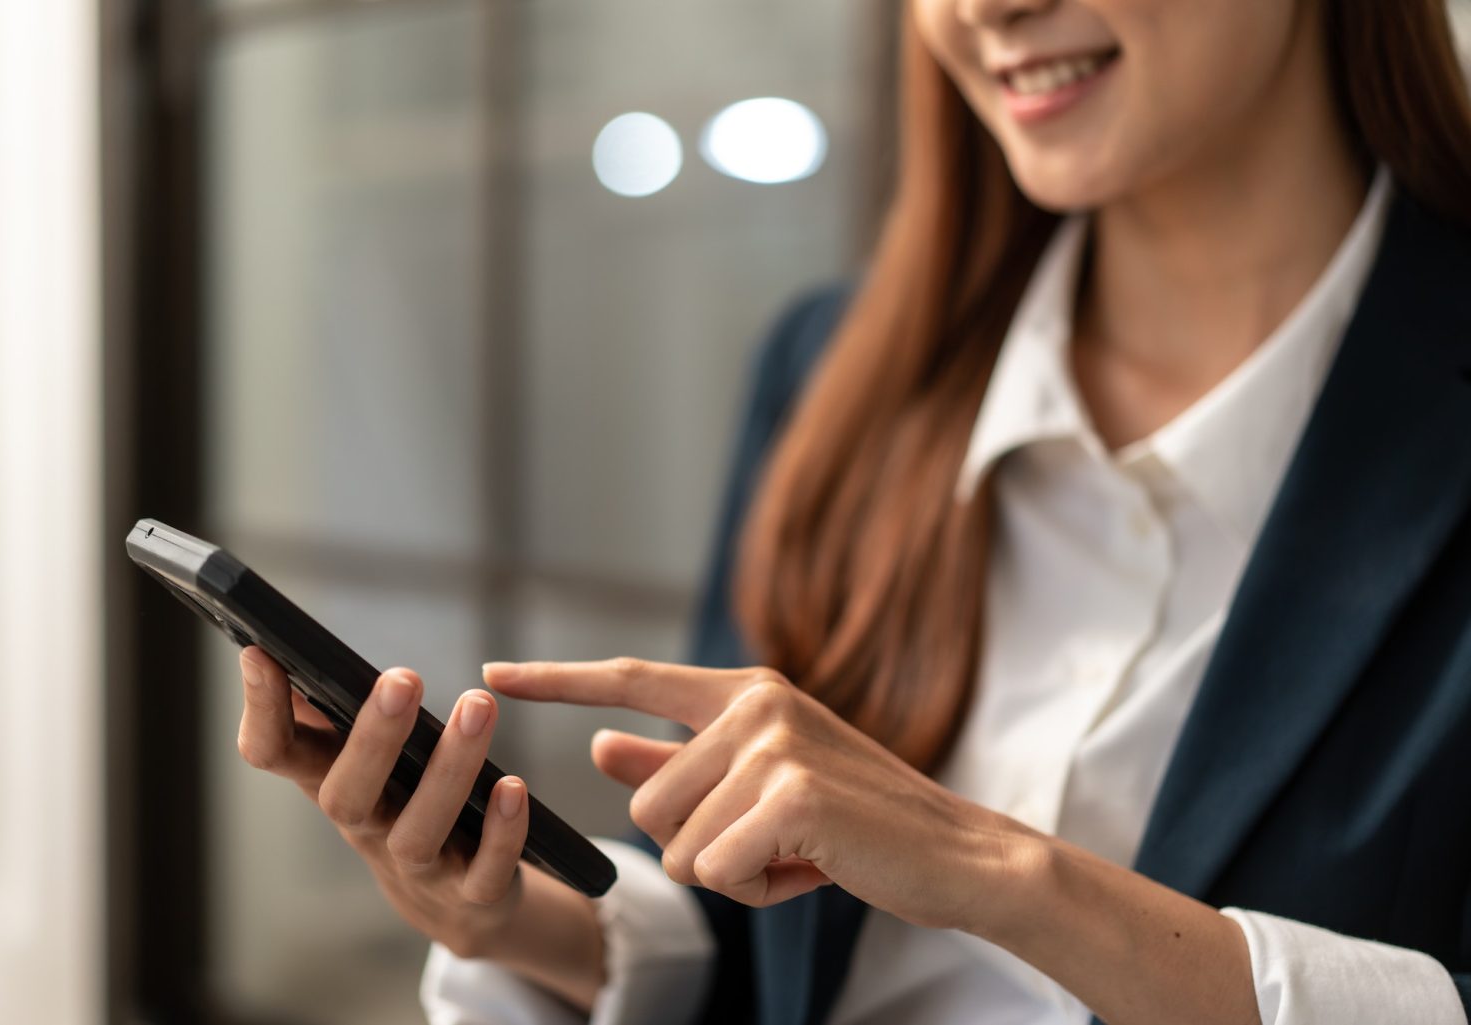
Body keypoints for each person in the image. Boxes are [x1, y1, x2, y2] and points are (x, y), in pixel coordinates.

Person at [234, 0, 1471, 1022]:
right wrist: (515, 919)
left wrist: (1009, 878)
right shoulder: (830, 374)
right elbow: (739, 933)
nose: (986, 10)